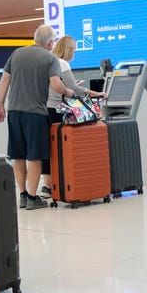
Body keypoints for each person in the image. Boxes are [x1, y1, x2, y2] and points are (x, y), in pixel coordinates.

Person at [0, 25, 75, 210]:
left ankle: (22, 195)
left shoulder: (16, 54)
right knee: (35, 157)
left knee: (18, 155)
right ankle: (32, 197)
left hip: (14, 112)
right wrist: (69, 92)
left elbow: (5, 80)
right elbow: (56, 85)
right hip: (35, 114)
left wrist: (0, 104)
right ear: (49, 42)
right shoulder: (50, 58)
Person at [41, 35, 107, 194]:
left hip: (46, 108)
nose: (74, 54)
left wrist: (71, 86)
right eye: (74, 51)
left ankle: (48, 186)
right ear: (68, 50)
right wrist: (98, 94)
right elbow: (74, 90)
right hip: (58, 110)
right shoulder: (62, 63)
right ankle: (58, 184)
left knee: (49, 147)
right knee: (59, 147)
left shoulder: (49, 61)